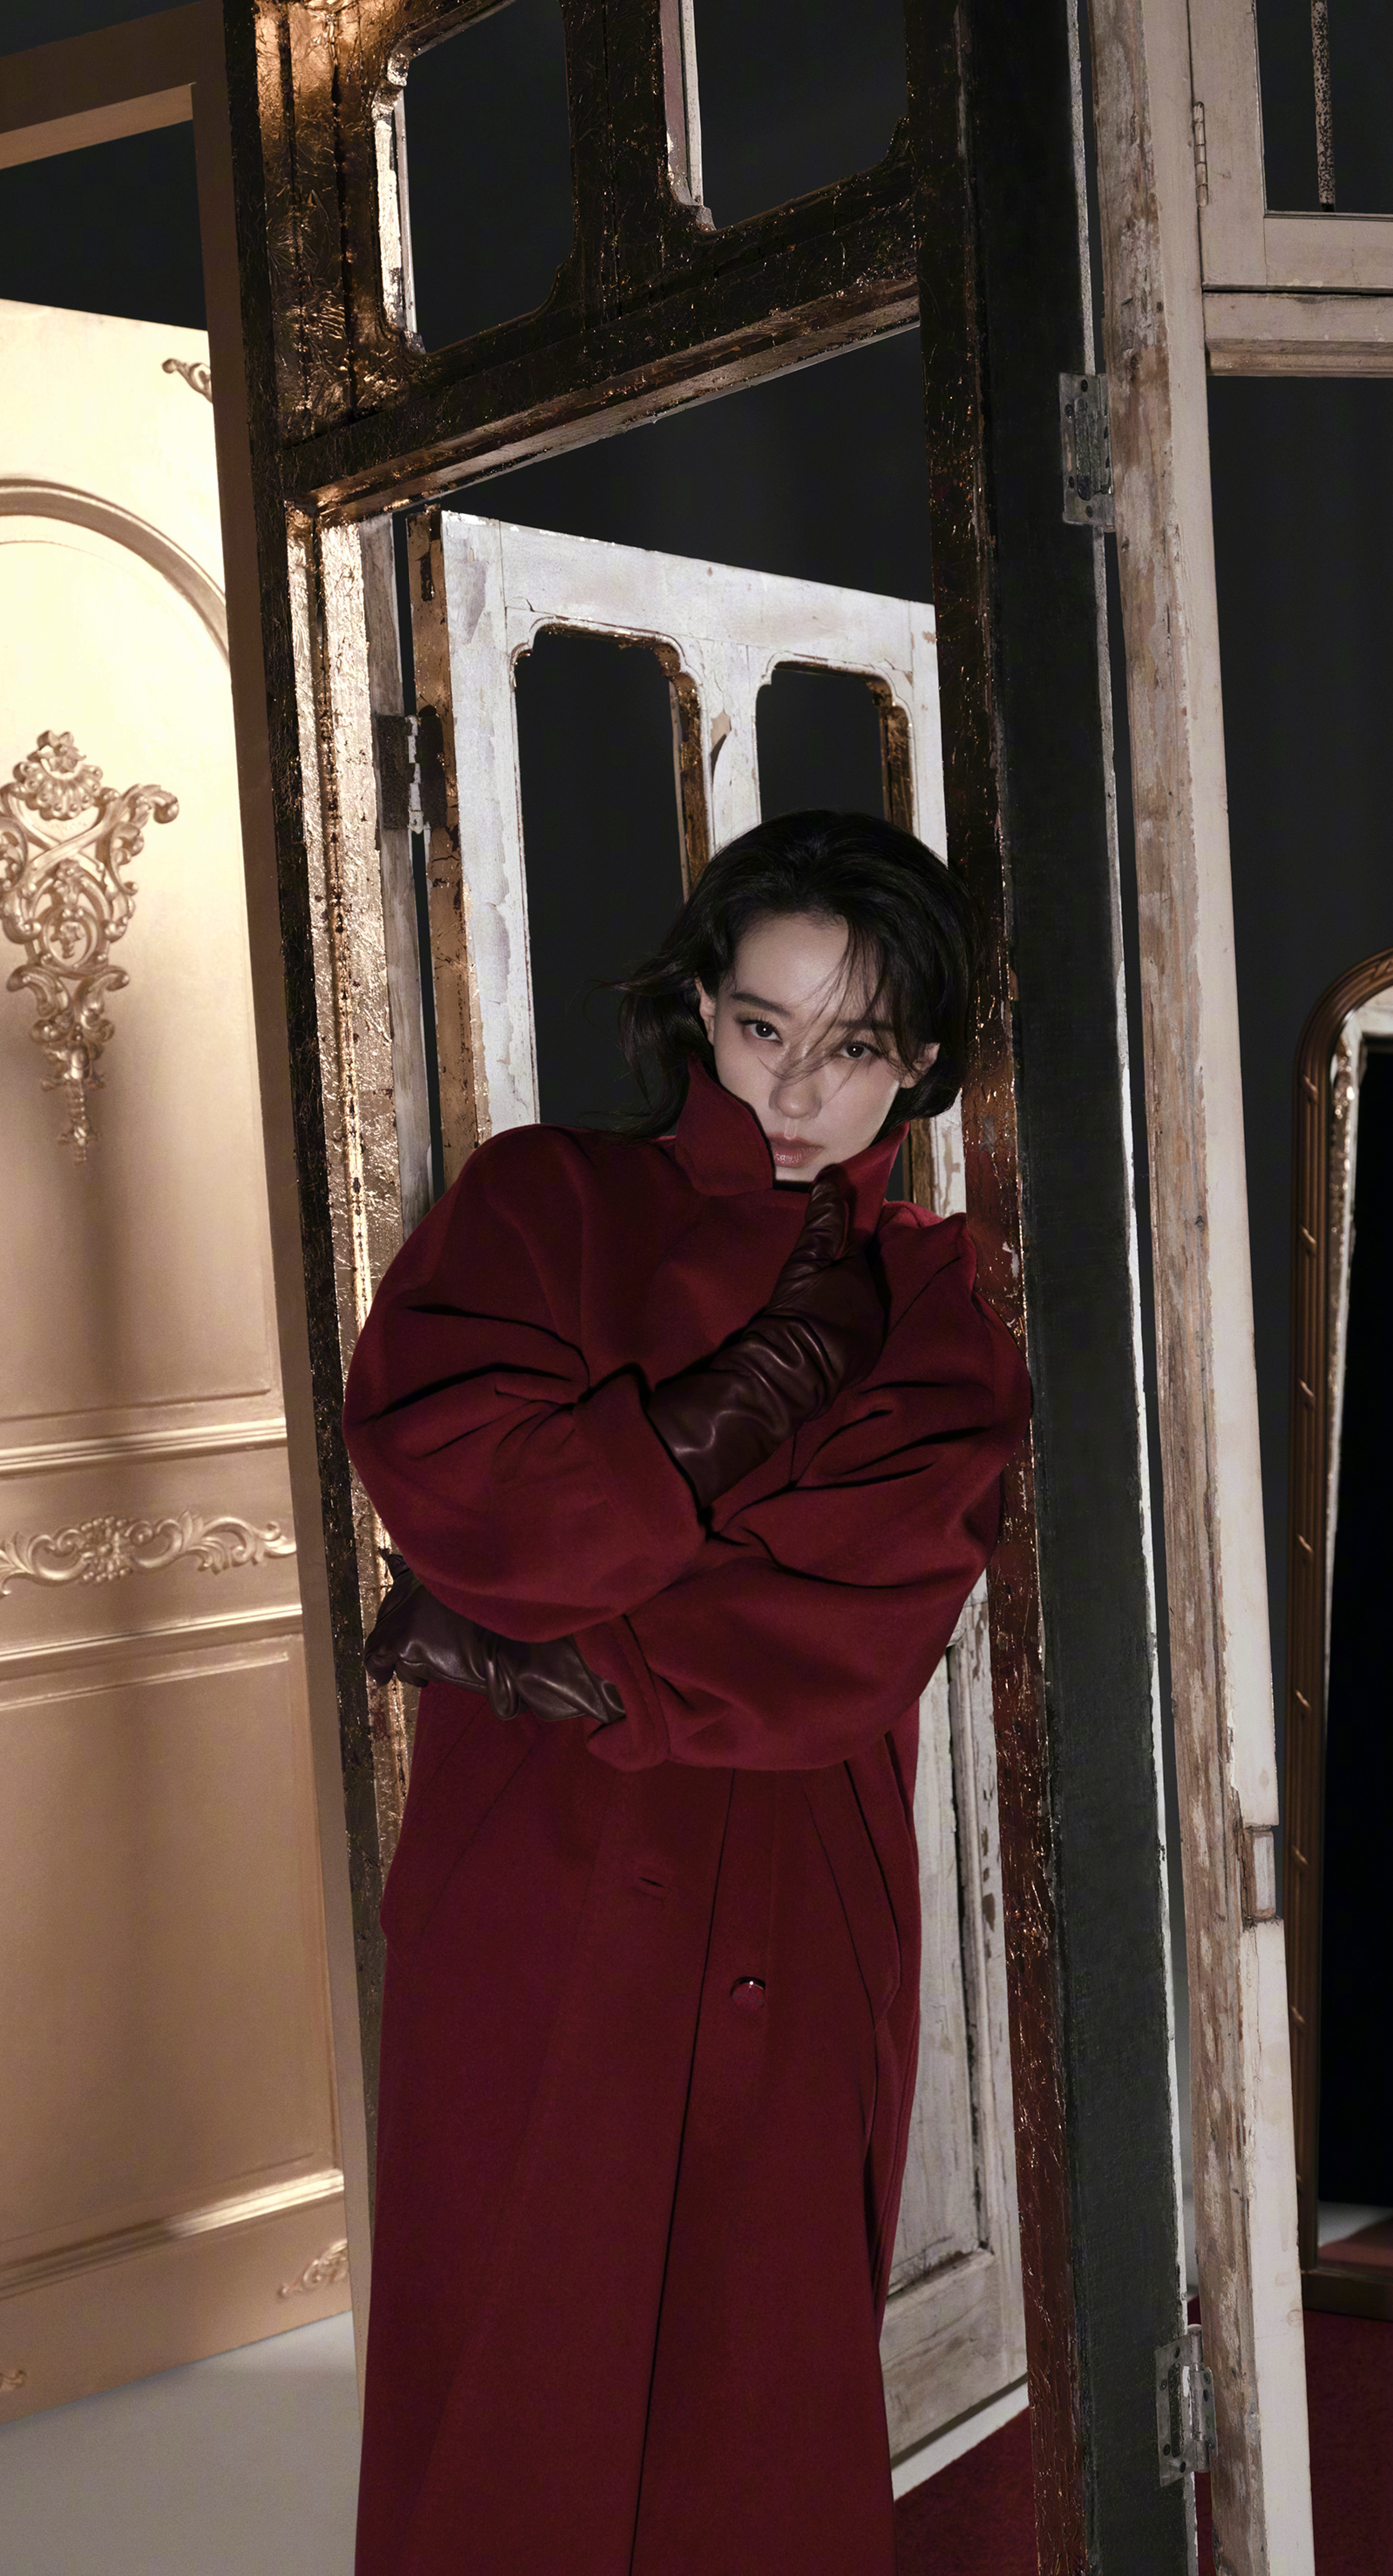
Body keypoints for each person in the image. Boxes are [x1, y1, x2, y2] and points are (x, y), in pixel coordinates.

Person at [340, 810, 1032, 2573]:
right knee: (510, 2348)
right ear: (698, 1010)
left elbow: (839, 1632)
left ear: (920, 1060)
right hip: (531, 1866)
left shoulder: (937, 1314)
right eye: (759, 1024)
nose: (795, 1087)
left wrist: (535, 1642)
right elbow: (457, 1481)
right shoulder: (541, 1199)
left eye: (853, 1043)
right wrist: (742, 1405)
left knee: (751, 2371)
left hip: (794, 1884)